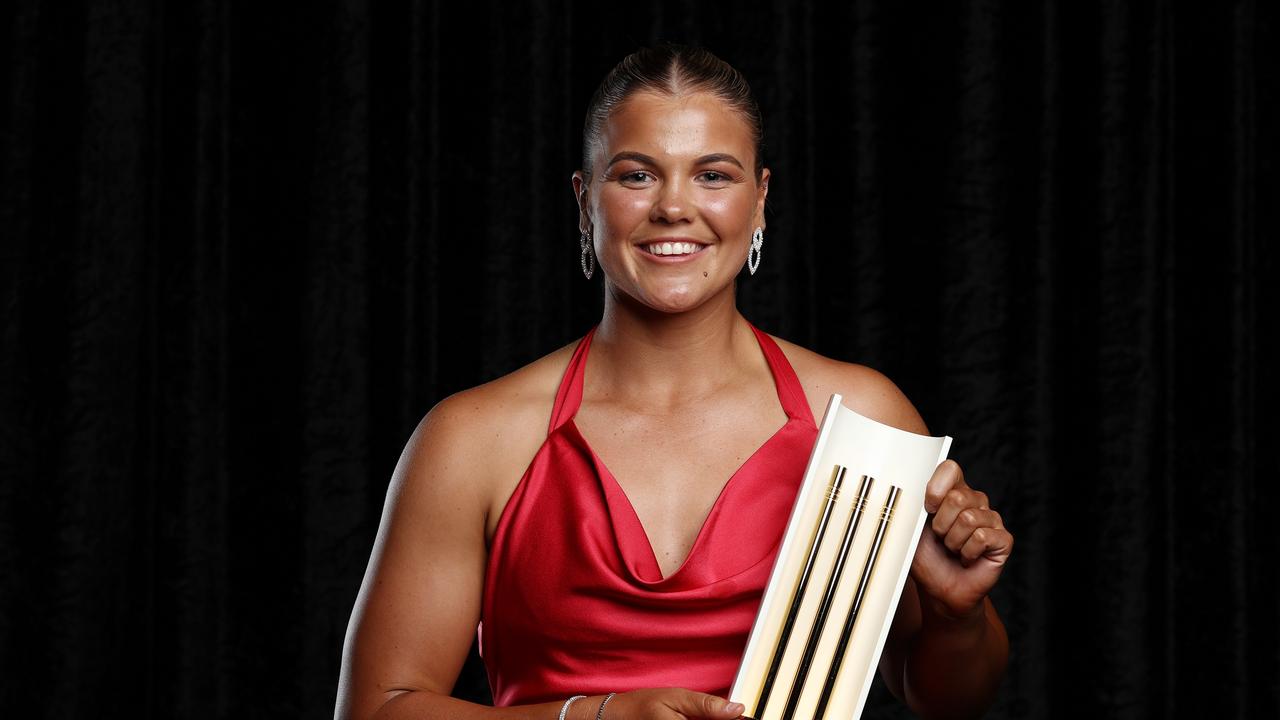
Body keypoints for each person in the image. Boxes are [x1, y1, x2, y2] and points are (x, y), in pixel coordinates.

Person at [336, 45, 1011, 720]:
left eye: (713, 175)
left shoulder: (859, 416)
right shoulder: (474, 439)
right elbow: (375, 710)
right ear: (584, 200)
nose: (674, 208)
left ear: (761, 200)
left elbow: (947, 701)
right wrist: (593, 717)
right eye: (636, 176)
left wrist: (958, 614)